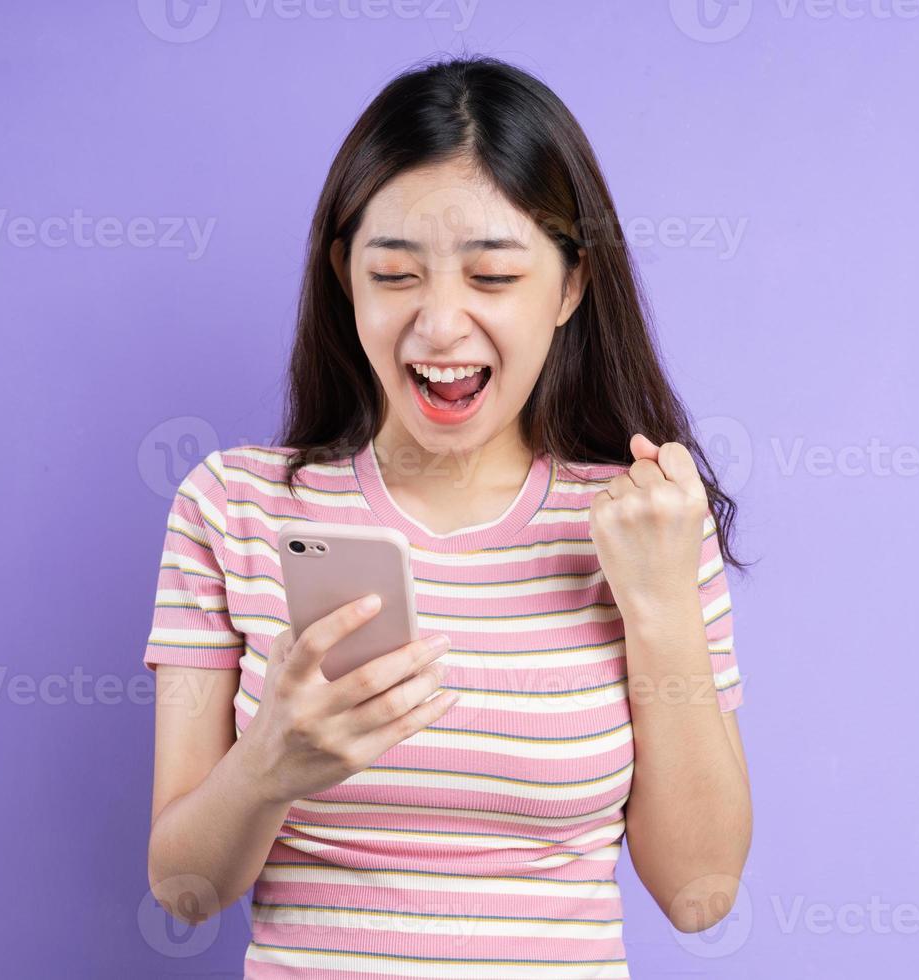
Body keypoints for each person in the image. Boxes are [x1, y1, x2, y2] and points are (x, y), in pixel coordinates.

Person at [142, 53, 752, 979]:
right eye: (395, 275)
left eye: (492, 278)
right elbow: (185, 891)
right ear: (345, 277)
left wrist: (662, 605)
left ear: (572, 287)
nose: (438, 326)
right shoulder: (233, 508)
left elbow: (700, 889)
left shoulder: (645, 525)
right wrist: (270, 762)